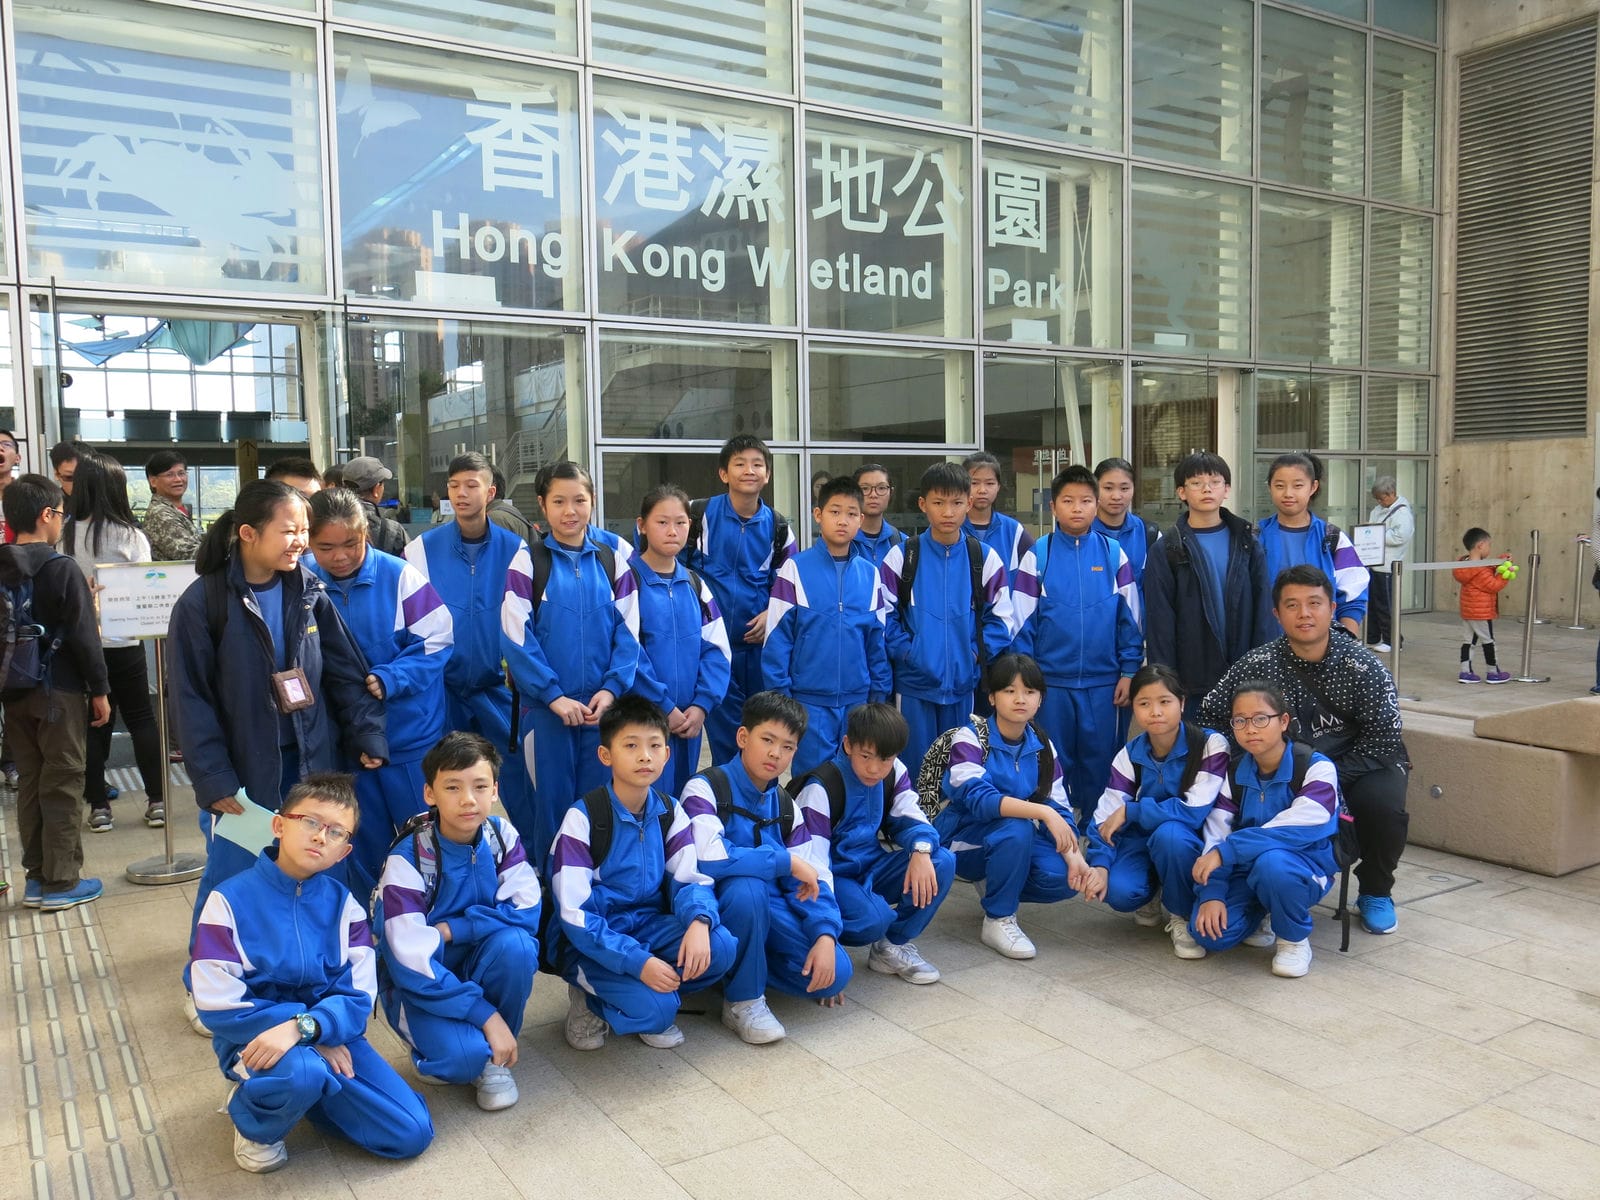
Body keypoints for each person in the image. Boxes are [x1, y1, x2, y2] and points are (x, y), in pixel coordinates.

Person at [168, 480, 388, 1031]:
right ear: (248, 533)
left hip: (311, 766)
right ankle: (202, 983)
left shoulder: (308, 589)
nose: (301, 542)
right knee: (232, 874)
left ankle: (322, 974)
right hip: (245, 776)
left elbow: (343, 671)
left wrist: (367, 736)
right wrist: (214, 779)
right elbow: (190, 701)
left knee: (321, 866)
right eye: (290, 531)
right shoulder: (203, 602)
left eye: (303, 531)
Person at [190, 772, 434, 1173]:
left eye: (336, 832)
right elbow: (217, 1002)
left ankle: (304, 1090)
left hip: (328, 1033)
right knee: (302, 1070)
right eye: (310, 822)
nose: (321, 837)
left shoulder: (345, 906)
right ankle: (255, 1119)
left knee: (411, 1132)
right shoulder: (228, 900)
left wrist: (309, 1029)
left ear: (344, 852)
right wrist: (298, 1031)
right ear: (279, 825)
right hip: (253, 1040)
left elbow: (359, 998)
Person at [1201, 564, 1409, 937]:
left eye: (1314, 603)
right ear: (1276, 613)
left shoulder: (1363, 665)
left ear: (1332, 608)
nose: (1304, 614)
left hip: (1359, 764)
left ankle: (1376, 890)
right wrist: (1250, 756)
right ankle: (1255, 883)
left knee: (1385, 804)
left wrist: (1323, 777)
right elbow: (1211, 716)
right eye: (1292, 605)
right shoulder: (1257, 664)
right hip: (1283, 765)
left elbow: (1384, 736)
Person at [551, 698, 736, 1052]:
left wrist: (699, 920)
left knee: (721, 945)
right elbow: (575, 916)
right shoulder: (584, 818)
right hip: (593, 940)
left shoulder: (669, 811)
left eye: (654, 746)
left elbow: (689, 880)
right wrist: (638, 962)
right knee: (658, 1011)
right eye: (631, 746)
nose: (645, 757)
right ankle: (591, 998)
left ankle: (647, 993)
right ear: (606, 755)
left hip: (649, 926)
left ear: (667, 754)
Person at [373, 733, 541, 1110]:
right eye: (452, 787)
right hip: (423, 983)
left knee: (516, 946)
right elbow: (410, 960)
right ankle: (452, 1046)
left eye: (479, 786)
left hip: (479, 962)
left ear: (494, 790)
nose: (468, 799)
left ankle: (495, 1061)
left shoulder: (501, 836)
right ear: (429, 793)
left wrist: (456, 929)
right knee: (461, 1061)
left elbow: (526, 911)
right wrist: (487, 1015)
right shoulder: (409, 858)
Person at [305, 488, 453, 898]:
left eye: (350, 544)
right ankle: (366, 918)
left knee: (423, 838)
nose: (339, 557)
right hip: (345, 743)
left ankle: (429, 912)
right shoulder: (303, 581)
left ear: (365, 533)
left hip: (408, 738)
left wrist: (393, 676)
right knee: (356, 842)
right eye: (325, 547)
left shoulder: (400, 576)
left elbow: (438, 639)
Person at [683, 690, 851, 1044]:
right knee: (747, 887)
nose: (776, 753)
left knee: (837, 971)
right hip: (716, 908)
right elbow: (709, 858)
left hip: (770, 908)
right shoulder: (705, 787)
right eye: (767, 740)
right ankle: (743, 1000)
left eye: (788, 747)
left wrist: (824, 933)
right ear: (743, 737)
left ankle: (741, 967)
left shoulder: (786, 804)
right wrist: (783, 861)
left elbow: (813, 875)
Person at [502, 461, 640, 864]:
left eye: (579, 500)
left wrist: (611, 690)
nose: (570, 511)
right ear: (542, 505)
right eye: (559, 501)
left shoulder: (613, 561)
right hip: (546, 715)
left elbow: (630, 633)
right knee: (551, 811)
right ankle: (552, 893)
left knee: (599, 807)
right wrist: (553, 696)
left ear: (592, 502)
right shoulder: (528, 562)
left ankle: (595, 888)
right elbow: (515, 638)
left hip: (600, 712)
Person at [404, 453, 534, 837]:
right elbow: (409, 624)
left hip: (499, 687)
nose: (461, 494)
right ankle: (438, 855)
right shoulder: (420, 550)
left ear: (490, 492)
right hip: (442, 689)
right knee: (442, 778)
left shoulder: (516, 549)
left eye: (471, 485)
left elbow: (527, 619)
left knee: (517, 777)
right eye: (454, 486)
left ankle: (529, 858)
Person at [0, 474, 111, 911]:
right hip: (58, 691)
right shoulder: (61, 567)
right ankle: (62, 882)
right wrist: (100, 689)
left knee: (31, 783)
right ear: (46, 514)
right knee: (63, 782)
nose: (61, 522)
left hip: (13, 693)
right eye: (60, 515)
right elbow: (84, 637)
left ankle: (35, 879)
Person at [1010, 465, 1143, 829]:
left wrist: (1130, 670)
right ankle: (1058, 829)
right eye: (1068, 501)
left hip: (1104, 684)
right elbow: (1021, 623)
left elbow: (1131, 620)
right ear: (1054, 507)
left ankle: (1096, 832)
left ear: (1096, 505)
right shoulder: (1039, 554)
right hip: (1051, 684)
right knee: (1053, 760)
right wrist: (1028, 682)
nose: (1077, 508)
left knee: (1101, 760)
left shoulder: (1114, 554)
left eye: (1085, 501)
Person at [935, 654, 1085, 960]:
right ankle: (998, 918)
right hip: (960, 840)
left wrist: (1075, 857)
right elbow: (981, 799)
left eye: (1030, 691)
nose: (1020, 699)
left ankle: (997, 881)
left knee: (1064, 878)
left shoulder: (1042, 746)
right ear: (992, 697)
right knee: (1017, 828)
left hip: (1007, 839)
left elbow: (1059, 805)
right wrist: (1042, 812)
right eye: (1009, 691)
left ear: (1040, 699)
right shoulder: (970, 738)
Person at [1189, 681, 1341, 979]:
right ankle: (1264, 910)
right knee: (1209, 934)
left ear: (1283, 721)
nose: (1250, 729)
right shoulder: (1234, 772)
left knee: (1272, 863)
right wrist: (1212, 892)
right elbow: (1216, 833)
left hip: (1302, 867)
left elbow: (1298, 827)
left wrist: (1228, 851)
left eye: (1260, 718)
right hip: (1246, 870)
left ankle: (1293, 940)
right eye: (1240, 721)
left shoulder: (1316, 767)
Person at [797, 702, 955, 985]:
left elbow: (913, 818)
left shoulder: (894, 772)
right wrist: (824, 928)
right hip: (834, 876)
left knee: (941, 860)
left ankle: (891, 946)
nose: (874, 768)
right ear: (848, 745)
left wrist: (920, 850)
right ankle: (824, 940)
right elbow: (812, 864)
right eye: (865, 756)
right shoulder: (821, 787)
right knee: (873, 919)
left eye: (885, 759)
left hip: (873, 864)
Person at [1079, 664, 1230, 951]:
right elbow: (1105, 815)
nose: (1155, 712)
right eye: (1144, 703)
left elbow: (1194, 810)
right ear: (1133, 708)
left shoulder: (1210, 745)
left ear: (1182, 703)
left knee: (1170, 834)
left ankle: (1180, 912)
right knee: (1119, 892)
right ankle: (1152, 890)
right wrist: (1099, 864)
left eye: (1164, 701)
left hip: (1190, 845)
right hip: (1141, 842)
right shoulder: (1130, 754)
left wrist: (1133, 810)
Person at [880, 461, 1015, 772]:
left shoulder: (984, 558)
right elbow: (882, 617)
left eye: (956, 503)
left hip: (963, 687)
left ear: (969, 503)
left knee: (959, 771)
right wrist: (910, 652)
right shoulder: (903, 556)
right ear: (923, 504)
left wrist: (972, 654)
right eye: (938, 503)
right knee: (914, 772)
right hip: (913, 687)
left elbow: (1002, 620)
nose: (948, 512)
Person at [680, 435, 796, 765]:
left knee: (763, 732)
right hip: (711, 649)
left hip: (758, 650)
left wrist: (770, 614)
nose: (749, 470)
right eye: (740, 463)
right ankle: (726, 793)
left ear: (768, 475)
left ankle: (760, 794)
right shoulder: (696, 516)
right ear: (723, 473)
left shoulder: (779, 528)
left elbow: (789, 587)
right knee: (727, 738)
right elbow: (668, 564)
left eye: (757, 464)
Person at [764, 476, 891, 775]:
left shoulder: (870, 575)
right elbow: (777, 641)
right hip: (809, 704)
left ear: (861, 519)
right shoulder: (795, 569)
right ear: (818, 514)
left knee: (857, 779)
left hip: (857, 704)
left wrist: (878, 697)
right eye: (835, 512)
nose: (842, 520)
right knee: (812, 782)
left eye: (851, 513)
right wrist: (783, 700)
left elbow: (877, 643)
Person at [66, 451, 165, 832]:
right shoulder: (130, 535)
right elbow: (144, 585)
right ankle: (156, 801)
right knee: (141, 718)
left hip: (82, 645)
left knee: (95, 722)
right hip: (125, 641)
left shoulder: (67, 534)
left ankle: (98, 807)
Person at [1144, 451, 1273, 720]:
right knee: (1195, 745)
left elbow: (1263, 610)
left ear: (1227, 489)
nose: (1206, 489)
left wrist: (1261, 672)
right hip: (1190, 682)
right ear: (1181, 492)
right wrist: (1166, 683)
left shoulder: (1248, 543)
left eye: (1215, 482)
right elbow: (1160, 623)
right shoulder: (1167, 549)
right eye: (1196, 483)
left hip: (1244, 676)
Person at [630, 484, 730, 797]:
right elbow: (627, 652)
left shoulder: (696, 585)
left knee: (680, 801)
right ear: (642, 525)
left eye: (680, 522)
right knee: (643, 800)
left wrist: (701, 705)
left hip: (688, 722)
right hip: (641, 720)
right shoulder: (627, 582)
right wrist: (664, 706)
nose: (672, 531)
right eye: (662, 522)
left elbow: (717, 649)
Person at [1256, 452, 1368, 638]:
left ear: (1313, 487)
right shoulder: (1255, 538)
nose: (1288, 493)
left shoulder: (1333, 538)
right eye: (1280, 486)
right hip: (1267, 645)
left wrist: (1346, 644)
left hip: (1323, 647)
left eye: (1298, 485)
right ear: (1270, 487)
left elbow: (1353, 597)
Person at [962, 450, 1035, 588]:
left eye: (989, 483)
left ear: (998, 487)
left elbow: (1035, 566)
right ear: (963, 485)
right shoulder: (952, 527)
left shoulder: (1013, 530)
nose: (982, 490)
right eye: (974, 483)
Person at [1454, 528, 1513, 685]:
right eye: (1489, 545)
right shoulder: (1480, 570)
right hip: (1481, 612)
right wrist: (1504, 574)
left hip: (1468, 611)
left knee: (1468, 641)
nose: (1489, 548)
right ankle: (1493, 672)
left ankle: (1465, 671)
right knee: (1488, 641)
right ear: (1480, 545)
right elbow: (1493, 585)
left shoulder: (1465, 564)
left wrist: (1499, 562)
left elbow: (1485, 570)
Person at [1365, 477, 1414, 652]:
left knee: (1386, 605)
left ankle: (1391, 640)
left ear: (1392, 493)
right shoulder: (1377, 510)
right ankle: (1372, 637)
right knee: (1372, 604)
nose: (1380, 502)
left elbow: (1400, 537)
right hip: (1374, 561)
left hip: (1388, 565)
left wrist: (1376, 534)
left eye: (1382, 498)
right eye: (1377, 498)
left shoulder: (1402, 513)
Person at [1092, 457, 1152, 592]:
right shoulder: (1081, 533)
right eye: (1108, 488)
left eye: (1124, 488)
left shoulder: (1149, 534)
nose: (1116, 496)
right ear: (1095, 488)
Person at [340, 456, 408, 557]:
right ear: (376, 489)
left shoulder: (328, 523)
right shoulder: (393, 530)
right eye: (382, 484)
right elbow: (410, 562)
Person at [143, 450, 199, 561]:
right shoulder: (160, 514)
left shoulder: (177, 509)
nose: (178, 479)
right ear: (153, 481)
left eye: (181, 473)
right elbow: (189, 554)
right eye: (170, 475)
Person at [851, 463, 904, 567]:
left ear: (891, 492)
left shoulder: (903, 542)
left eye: (881, 488)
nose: (873, 495)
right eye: (865, 488)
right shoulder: (841, 541)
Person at [486, 466, 535, 544]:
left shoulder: (494, 518)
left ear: (491, 491)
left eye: (472, 486)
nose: (465, 493)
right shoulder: (510, 510)